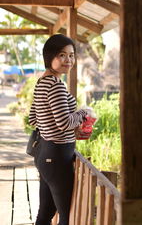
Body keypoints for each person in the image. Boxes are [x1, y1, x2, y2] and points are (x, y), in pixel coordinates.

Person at [29, 34, 91, 225]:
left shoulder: (42, 82)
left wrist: (69, 131)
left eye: (71, 55)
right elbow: (64, 122)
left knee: (45, 213)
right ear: (50, 57)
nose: (68, 60)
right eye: (62, 55)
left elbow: (33, 119)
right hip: (57, 157)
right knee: (65, 216)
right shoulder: (55, 85)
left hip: (45, 154)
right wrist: (83, 113)